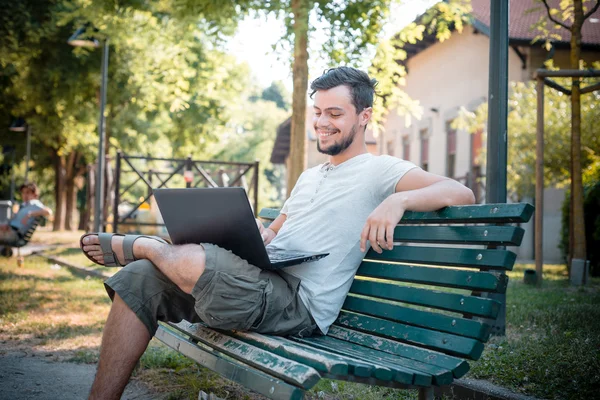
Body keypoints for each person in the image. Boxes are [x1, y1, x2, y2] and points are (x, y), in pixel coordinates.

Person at [80, 66, 475, 399]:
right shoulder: (309, 176)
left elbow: (463, 192)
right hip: (262, 280)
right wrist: (254, 232)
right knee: (138, 278)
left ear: (364, 117)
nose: (322, 122)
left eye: (335, 113)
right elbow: (275, 233)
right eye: (318, 112)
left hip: (296, 305)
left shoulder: (381, 170)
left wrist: (397, 202)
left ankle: (149, 245)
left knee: (190, 259)